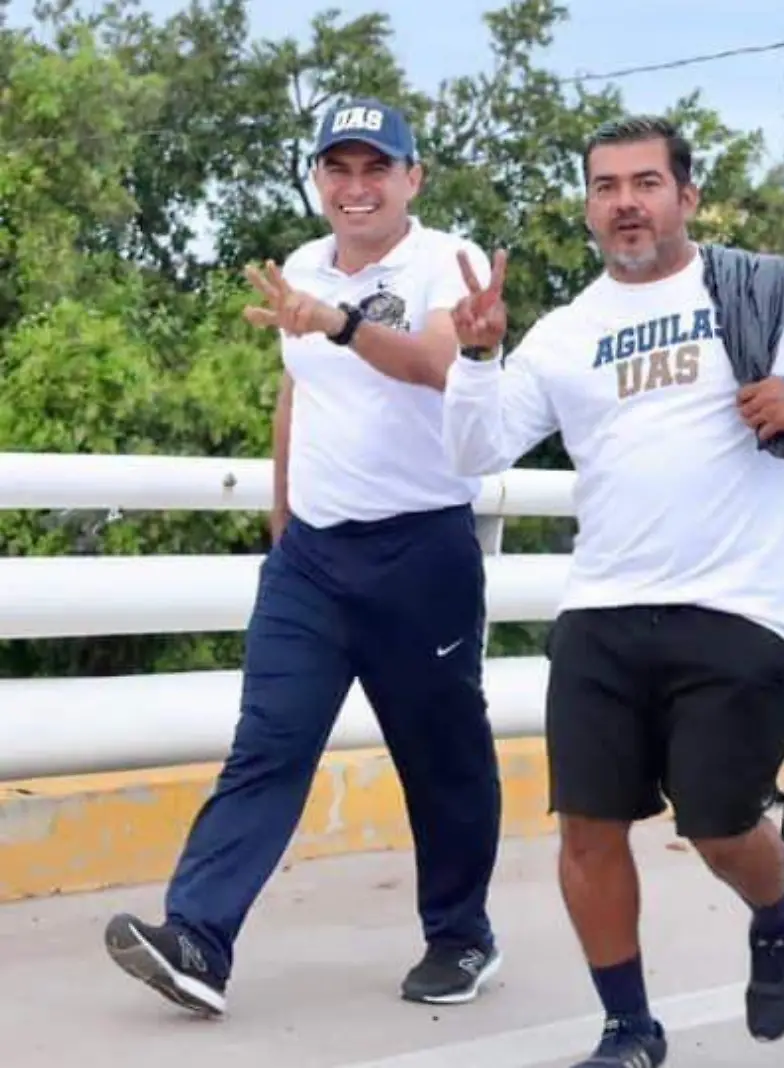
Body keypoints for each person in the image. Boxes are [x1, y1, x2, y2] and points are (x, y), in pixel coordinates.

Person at [437, 114, 784, 1068]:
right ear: (588, 207)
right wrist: (477, 358)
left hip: (733, 614)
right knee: (587, 829)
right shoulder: (567, 333)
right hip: (602, 615)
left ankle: (776, 915)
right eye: (606, 186)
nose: (626, 202)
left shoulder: (755, 292)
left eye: (646, 183)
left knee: (720, 823)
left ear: (685, 198)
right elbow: (473, 452)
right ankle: (629, 1028)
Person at [103, 97, 506, 1017]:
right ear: (319, 178)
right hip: (314, 561)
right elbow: (298, 397)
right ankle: (198, 939)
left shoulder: (448, 261)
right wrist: (284, 522)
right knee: (267, 746)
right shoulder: (302, 265)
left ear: (413, 178)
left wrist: (340, 323)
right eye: (339, 169)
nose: (355, 188)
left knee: (441, 756)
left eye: (376, 169)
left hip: (422, 551)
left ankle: (461, 936)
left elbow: (443, 368)